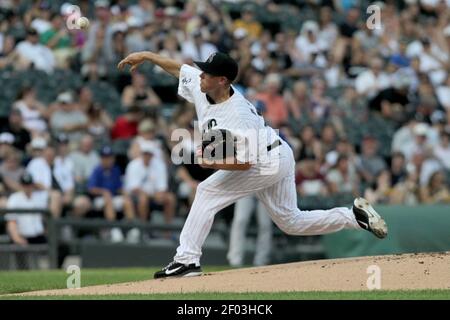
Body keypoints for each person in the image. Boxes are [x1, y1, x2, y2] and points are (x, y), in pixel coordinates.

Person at [118, 50, 388, 279]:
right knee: (290, 221)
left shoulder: (237, 114)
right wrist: (148, 56)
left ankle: (187, 260)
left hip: (266, 161)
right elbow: (179, 69)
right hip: (278, 153)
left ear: (221, 80)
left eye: (207, 73)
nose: (200, 75)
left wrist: (212, 162)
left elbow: (245, 163)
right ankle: (353, 216)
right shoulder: (205, 87)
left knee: (207, 191)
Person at [227, 195, 272, 267]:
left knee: (265, 224)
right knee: (240, 221)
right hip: (247, 189)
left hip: (265, 190)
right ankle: (235, 259)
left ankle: (262, 260)